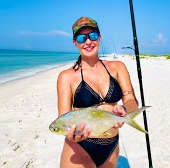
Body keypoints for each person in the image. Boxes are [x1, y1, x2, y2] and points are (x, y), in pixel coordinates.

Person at [56, 16, 139, 168]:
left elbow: (131, 99)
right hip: (79, 148)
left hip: (111, 145)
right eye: (81, 38)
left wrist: (125, 109)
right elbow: (63, 118)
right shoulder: (66, 77)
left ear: (99, 37)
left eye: (92, 36)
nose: (88, 42)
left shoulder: (118, 67)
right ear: (75, 43)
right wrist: (72, 135)